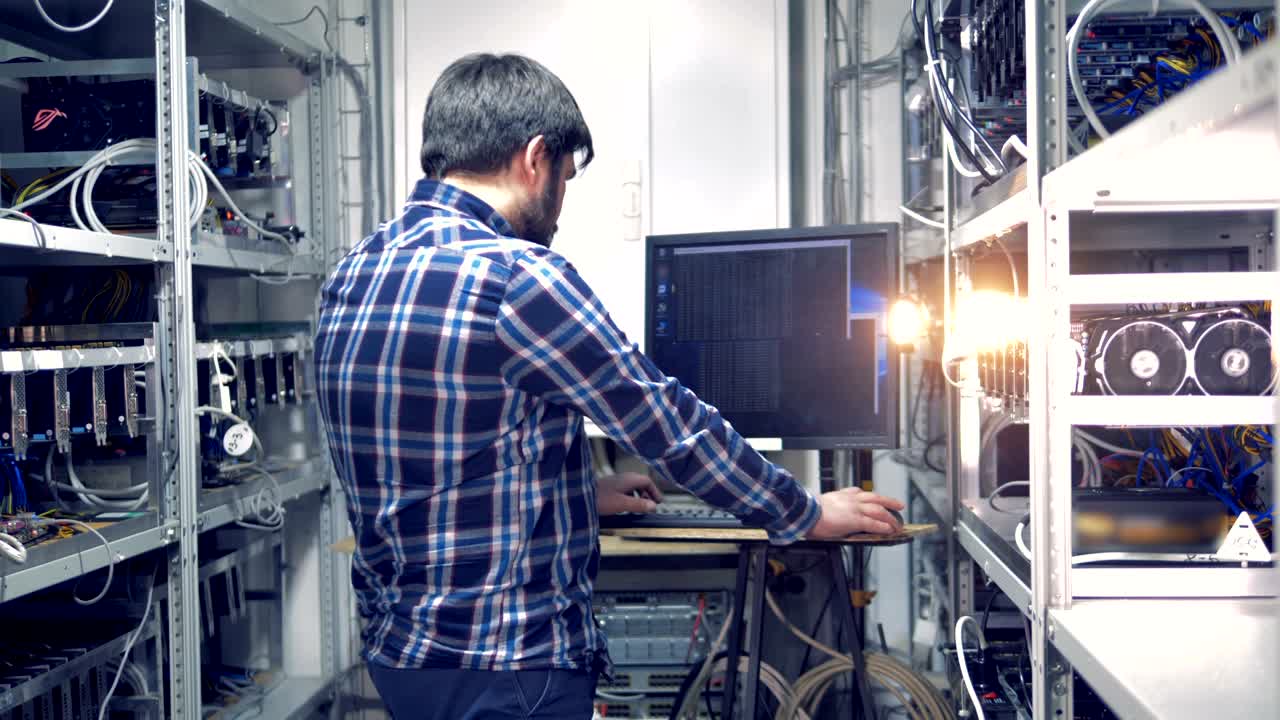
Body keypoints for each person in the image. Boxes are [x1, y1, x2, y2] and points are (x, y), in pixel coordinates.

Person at [314, 52, 905, 720]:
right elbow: (667, 423)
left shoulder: (355, 272)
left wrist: (577, 495)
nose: (561, 204)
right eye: (565, 177)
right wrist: (804, 512)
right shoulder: (516, 276)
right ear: (535, 158)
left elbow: (422, 459)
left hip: (402, 657)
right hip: (508, 665)